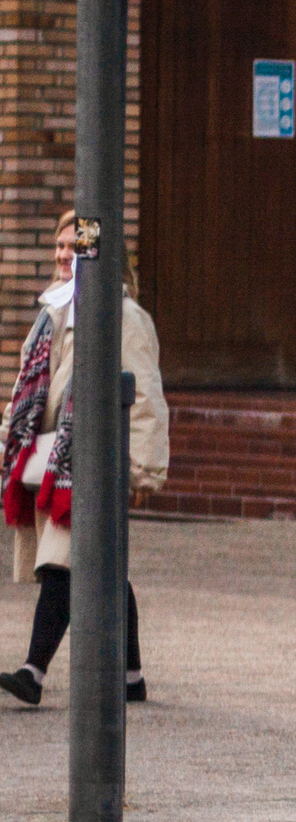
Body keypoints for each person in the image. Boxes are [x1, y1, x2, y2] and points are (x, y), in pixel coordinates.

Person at [0, 212, 167, 708]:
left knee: (61, 562)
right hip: (55, 458)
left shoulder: (123, 317)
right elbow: (28, 391)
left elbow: (145, 397)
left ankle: (32, 671)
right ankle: (132, 676)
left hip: (93, 461)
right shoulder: (53, 311)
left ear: (99, 257)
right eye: (58, 246)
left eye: (74, 248)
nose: (62, 255)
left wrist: (142, 468)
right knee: (105, 566)